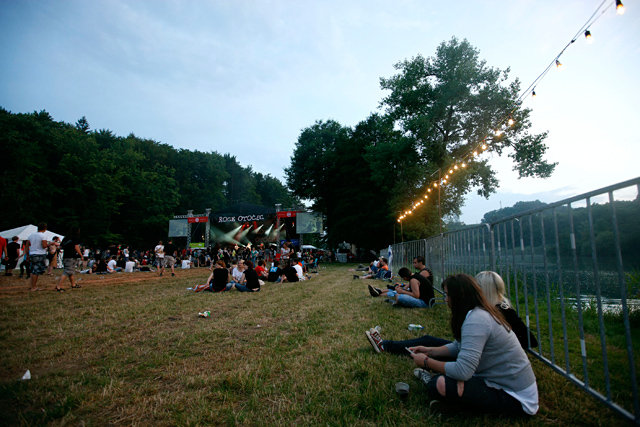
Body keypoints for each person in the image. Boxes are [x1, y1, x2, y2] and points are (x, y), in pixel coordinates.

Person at [376, 273, 539, 415]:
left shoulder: (477, 319)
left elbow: (463, 371)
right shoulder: (475, 314)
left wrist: (426, 362)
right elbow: (458, 347)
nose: (445, 299)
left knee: (440, 383)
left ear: (459, 296)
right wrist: (430, 351)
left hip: (515, 397)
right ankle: (456, 401)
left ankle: (450, 396)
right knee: (446, 380)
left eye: (447, 295)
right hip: (491, 379)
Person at [365, 271, 538, 355]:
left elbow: (529, 340)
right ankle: (387, 344)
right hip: (477, 351)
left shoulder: (493, 312)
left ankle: (386, 345)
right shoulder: (499, 306)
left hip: (482, 356)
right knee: (428, 341)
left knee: (430, 346)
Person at [367, 267, 434, 308]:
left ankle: (395, 301)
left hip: (425, 303)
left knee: (400, 297)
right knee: (397, 294)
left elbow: (416, 295)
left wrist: (402, 291)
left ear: (404, 277)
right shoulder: (415, 276)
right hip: (425, 300)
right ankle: (394, 301)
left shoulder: (413, 280)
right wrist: (402, 289)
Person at [55, 226, 84, 291]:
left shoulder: (66, 238)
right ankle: (58, 287)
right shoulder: (76, 238)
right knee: (67, 272)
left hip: (65, 256)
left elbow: (60, 247)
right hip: (71, 256)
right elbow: (76, 247)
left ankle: (73, 285)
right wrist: (81, 255)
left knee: (71, 270)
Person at [24, 222, 49, 291]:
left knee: (33, 270)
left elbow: (27, 246)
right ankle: (34, 287)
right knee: (36, 271)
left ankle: (32, 285)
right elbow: (44, 246)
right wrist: (50, 244)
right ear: (45, 229)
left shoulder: (31, 235)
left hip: (32, 253)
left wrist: (27, 255)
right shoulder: (43, 236)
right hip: (40, 254)